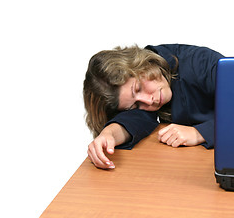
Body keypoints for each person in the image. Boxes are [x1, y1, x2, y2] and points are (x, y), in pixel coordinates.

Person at [83, 44, 224, 169]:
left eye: (138, 88)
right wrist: (108, 135)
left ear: (142, 65)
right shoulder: (145, 102)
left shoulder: (200, 62)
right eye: (135, 105)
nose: (148, 101)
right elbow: (133, 120)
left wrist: (199, 133)